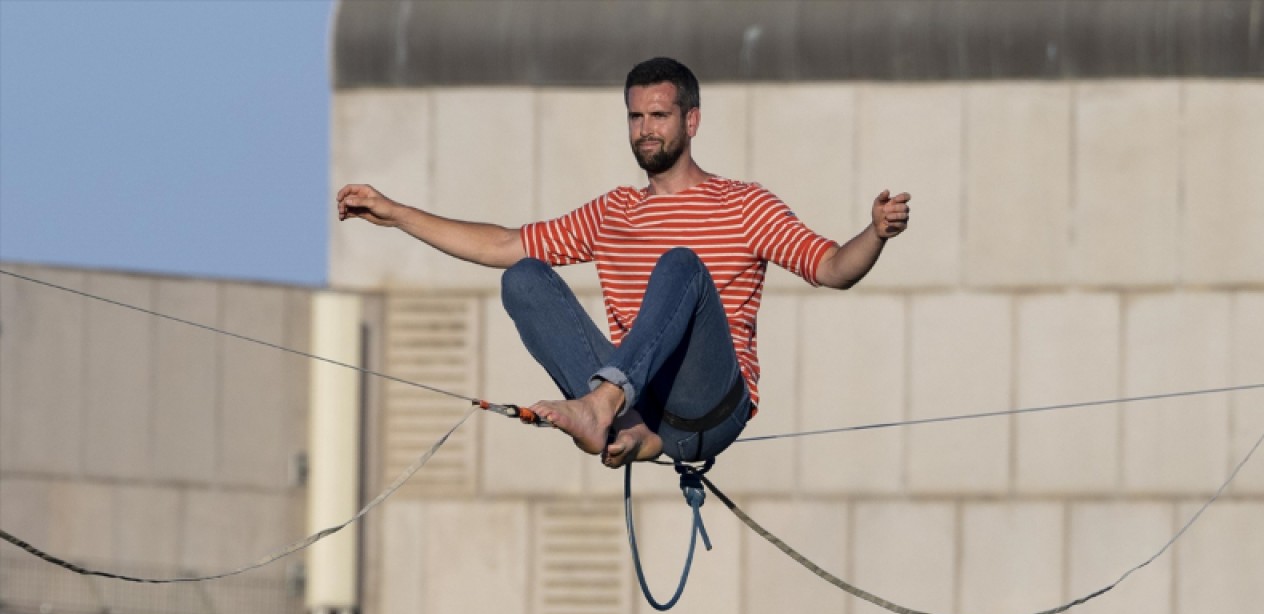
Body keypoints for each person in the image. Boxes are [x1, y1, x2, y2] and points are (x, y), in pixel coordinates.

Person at [337, 57, 910, 470]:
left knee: (681, 264)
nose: (645, 130)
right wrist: (393, 212)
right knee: (524, 277)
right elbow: (502, 245)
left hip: (712, 405)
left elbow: (832, 268)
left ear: (692, 121)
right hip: (641, 406)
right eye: (635, 118)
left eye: (658, 116)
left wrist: (877, 233)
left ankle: (605, 407)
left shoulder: (742, 204)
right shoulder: (615, 212)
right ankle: (627, 428)